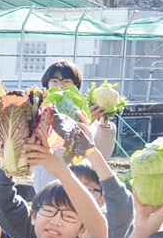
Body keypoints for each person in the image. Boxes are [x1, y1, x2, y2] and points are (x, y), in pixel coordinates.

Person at [0, 133, 133, 238]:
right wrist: (10, 152)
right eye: (69, 184)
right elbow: (4, 203)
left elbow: (121, 205)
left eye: (87, 189)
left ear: (103, 201)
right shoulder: (43, 224)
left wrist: (90, 149)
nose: (75, 193)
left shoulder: (108, 231)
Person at [31, 60, 117, 192]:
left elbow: (102, 154)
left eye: (66, 82)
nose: (60, 86)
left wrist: (103, 125)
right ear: (46, 85)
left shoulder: (82, 113)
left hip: (81, 185)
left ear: (75, 86)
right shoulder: (39, 116)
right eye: (54, 81)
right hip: (48, 185)